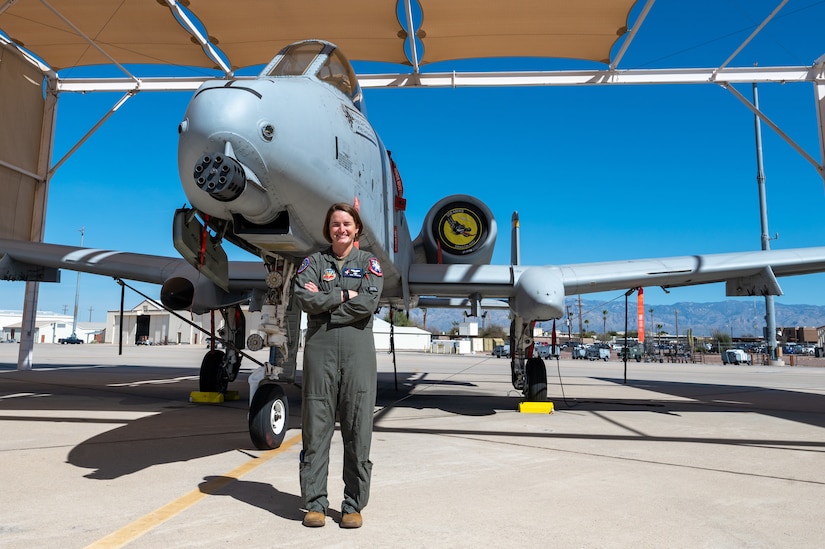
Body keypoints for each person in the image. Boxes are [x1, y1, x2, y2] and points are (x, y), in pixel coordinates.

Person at [292, 202, 384, 529]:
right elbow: (303, 297)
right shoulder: (313, 262)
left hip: (358, 352)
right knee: (316, 430)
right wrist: (345, 296)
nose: (340, 229)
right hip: (320, 351)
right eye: (335, 224)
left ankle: (352, 506)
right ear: (328, 229)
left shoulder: (369, 262)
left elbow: (369, 301)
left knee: (358, 430)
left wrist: (327, 303)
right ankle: (315, 503)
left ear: (356, 228)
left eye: (346, 223)